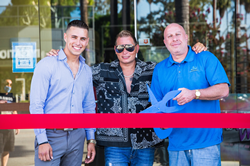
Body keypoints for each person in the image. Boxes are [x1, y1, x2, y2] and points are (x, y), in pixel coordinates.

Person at [47, 29, 206, 166]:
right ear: (115, 49)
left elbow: (176, 65)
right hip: (114, 144)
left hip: (145, 142)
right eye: (120, 48)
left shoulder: (152, 69)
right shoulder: (102, 71)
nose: (125, 51)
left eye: (129, 47)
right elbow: (76, 71)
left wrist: (194, 51)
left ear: (136, 48)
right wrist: (59, 58)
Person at [150, 23, 230, 166]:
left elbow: (223, 89)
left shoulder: (205, 58)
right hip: (176, 146)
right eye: (169, 36)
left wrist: (195, 94)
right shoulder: (160, 69)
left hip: (206, 144)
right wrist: (160, 121)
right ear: (165, 42)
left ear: (186, 37)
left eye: (178, 34)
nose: (174, 39)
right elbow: (157, 106)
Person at [29, 20, 96, 166]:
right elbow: (36, 105)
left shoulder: (86, 71)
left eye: (82, 38)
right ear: (65, 37)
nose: (78, 42)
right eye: (74, 37)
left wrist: (90, 139)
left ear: (87, 41)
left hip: (77, 137)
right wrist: (42, 140)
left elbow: (89, 107)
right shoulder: (46, 65)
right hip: (51, 136)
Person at [0, 79, 20, 166]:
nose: (8, 86)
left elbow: (14, 111)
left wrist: (17, 125)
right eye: (7, 83)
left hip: (9, 127)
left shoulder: (12, 97)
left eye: (10, 84)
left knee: (6, 149)